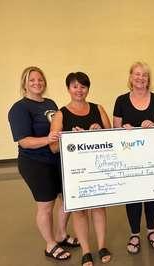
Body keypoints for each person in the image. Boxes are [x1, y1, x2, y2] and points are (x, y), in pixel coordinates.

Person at [8, 66, 79, 261]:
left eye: (40, 80)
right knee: (46, 206)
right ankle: (50, 244)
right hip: (35, 163)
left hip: (56, 160)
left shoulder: (50, 103)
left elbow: (58, 130)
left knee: (67, 200)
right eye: (32, 80)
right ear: (24, 83)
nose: (37, 83)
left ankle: (61, 235)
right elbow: (24, 141)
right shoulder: (19, 108)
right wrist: (48, 139)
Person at [50, 72, 111, 266]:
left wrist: (99, 131)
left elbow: (112, 138)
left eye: (83, 86)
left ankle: (102, 246)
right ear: (68, 88)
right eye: (75, 86)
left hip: (98, 168)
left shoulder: (98, 109)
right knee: (80, 211)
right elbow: (53, 147)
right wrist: (70, 136)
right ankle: (86, 250)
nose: (79, 90)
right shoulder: (61, 114)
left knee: (99, 208)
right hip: (74, 173)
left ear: (88, 88)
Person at [113, 61, 154, 254]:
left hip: (153, 157)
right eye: (137, 74)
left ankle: (151, 230)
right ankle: (134, 233)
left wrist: (153, 125)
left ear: (148, 79)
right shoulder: (120, 100)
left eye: (144, 75)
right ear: (130, 77)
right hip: (130, 158)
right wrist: (123, 130)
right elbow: (115, 130)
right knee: (133, 195)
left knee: (152, 193)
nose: (140, 78)